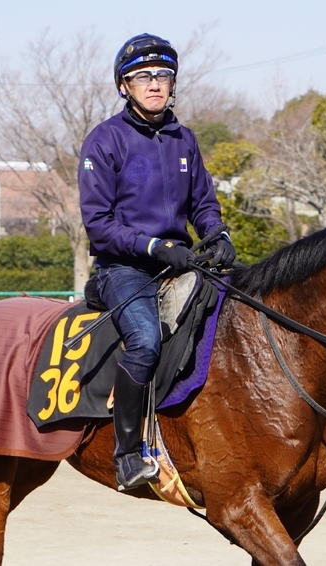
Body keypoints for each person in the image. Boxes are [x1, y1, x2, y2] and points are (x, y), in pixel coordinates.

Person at [78, 33, 236, 491]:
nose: (154, 84)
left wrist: (217, 233)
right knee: (145, 340)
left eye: (163, 75)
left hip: (181, 262)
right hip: (124, 269)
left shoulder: (184, 140)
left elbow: (203, 202)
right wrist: (154, 247)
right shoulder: (104, 141)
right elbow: (99, 224)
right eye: (142, 76)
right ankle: (128, 453)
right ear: (123, 86)